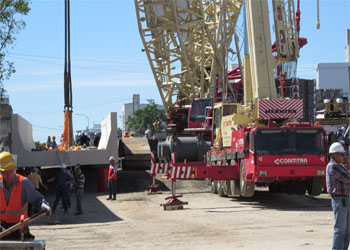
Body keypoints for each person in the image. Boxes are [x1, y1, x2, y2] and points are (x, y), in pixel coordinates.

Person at [0, 152, 51, 240]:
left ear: (15, 168)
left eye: (10, 171)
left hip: (19, 228)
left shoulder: (23, 183)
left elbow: (37, 199)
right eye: (5, 172)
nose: (8, 175)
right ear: (0, 171)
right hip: (2, 228)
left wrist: (44, 205)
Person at [326, 142, 350, 250]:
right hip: (340, 199)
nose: (344, 157)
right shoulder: (333, 166)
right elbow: (348, 178)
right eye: (342, 155)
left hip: (344, 199)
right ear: (334, 155)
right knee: (341, 229)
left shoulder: (339, 166)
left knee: (347, 229)